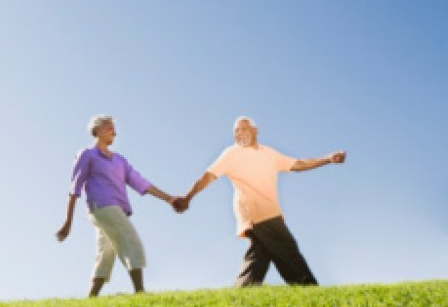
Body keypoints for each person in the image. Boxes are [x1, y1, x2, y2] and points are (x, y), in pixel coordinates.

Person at [172, 116, 346, 287]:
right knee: (288, 250)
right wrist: (188, 197)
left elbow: (297, 165)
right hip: (256, 211)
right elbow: (208, 176)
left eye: (243, 128)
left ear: (255, 131)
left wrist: (328, 159)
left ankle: (240, 295)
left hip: (269, 210)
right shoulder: (232, 153)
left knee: (258, 259)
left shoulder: (268, 153)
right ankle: (310, 292)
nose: (239, 133)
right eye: (236, 131)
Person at [56, 115, 177, 296]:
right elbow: (74, 188)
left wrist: (169, 199)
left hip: (116, 210)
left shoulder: (120, 160)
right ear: (97, 130)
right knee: (130, 240)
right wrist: (67, 222)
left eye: (114, 128)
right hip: (102, 207)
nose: (114, 131)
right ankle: (140, 291)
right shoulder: (87, 155)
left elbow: (140, 182)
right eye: (109, 127)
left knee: (105, 252)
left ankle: (92, 298)